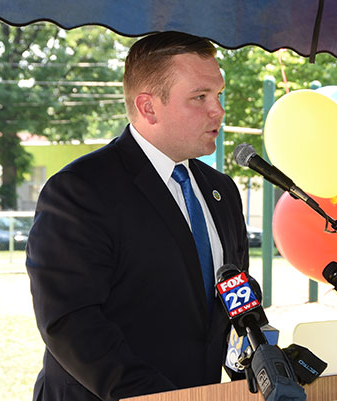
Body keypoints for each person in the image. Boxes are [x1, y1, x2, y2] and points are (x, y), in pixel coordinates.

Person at [26, 32, 249, 401]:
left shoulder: (221, 190)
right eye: (200, 97)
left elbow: (232, 298)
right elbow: (70, 321)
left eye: (219, 95)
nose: (219, 110)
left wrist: (258, 360)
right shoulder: (80, 190)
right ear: (148, 107)